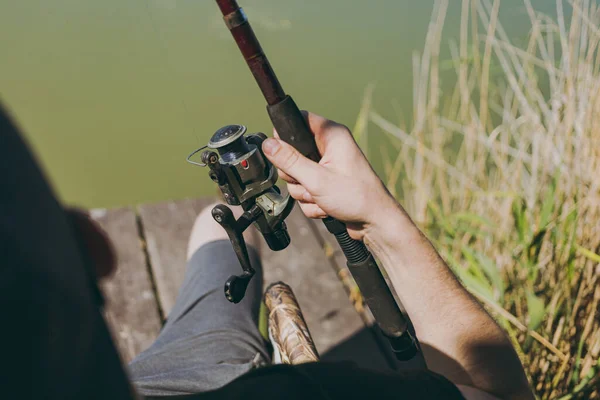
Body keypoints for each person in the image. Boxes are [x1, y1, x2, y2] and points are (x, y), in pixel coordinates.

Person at [1, 103, 533, 400]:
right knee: (217, 231)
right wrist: (378, 217)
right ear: (95, 249)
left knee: (220, 228)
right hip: (199, 374)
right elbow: (499, 390)